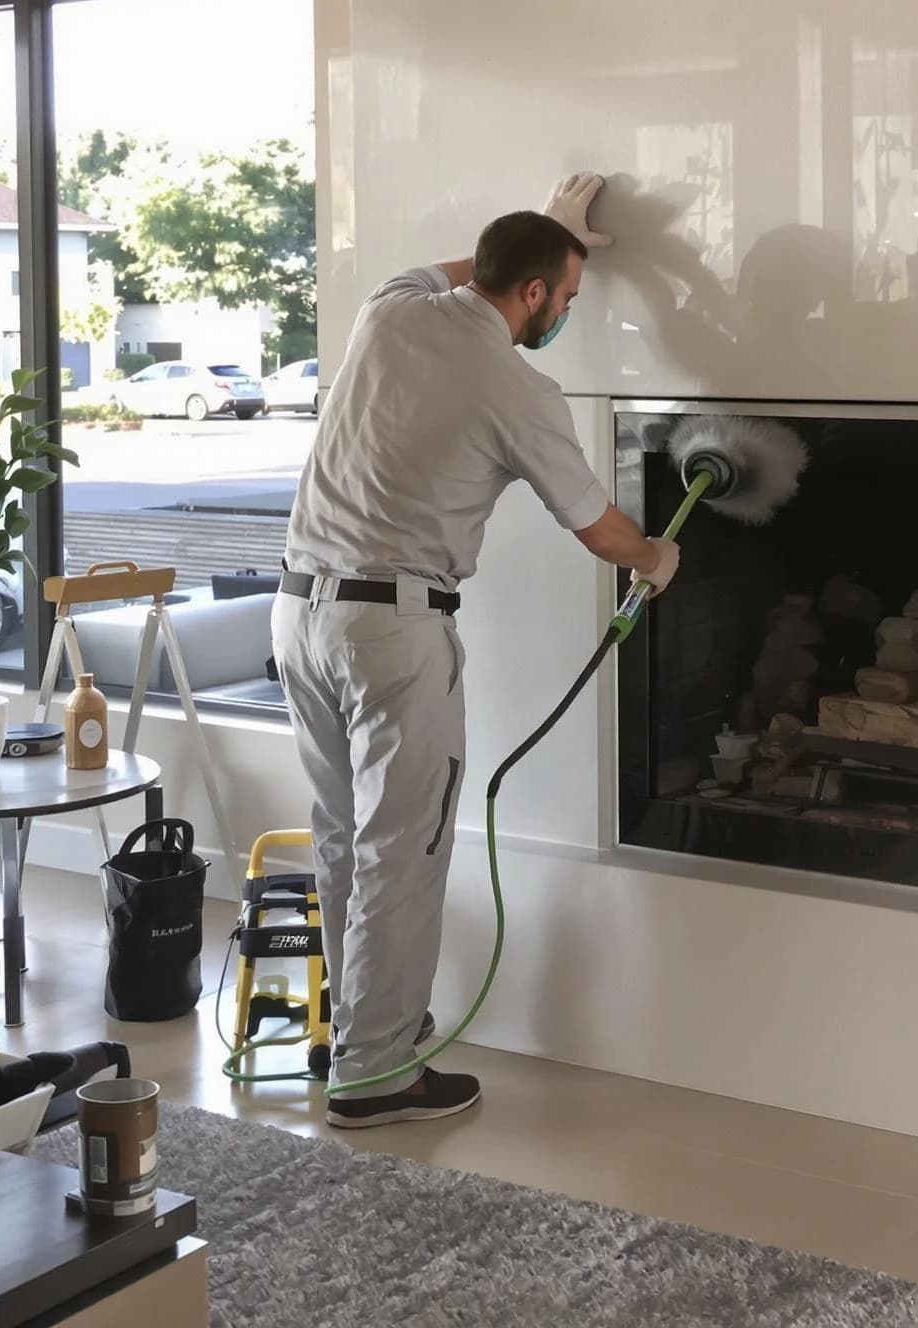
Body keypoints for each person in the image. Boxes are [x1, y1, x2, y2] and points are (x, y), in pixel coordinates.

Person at [273, 173, 680, 1127]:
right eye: (567, 298)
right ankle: (376, 1076)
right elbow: (599, 528)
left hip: (297, 614)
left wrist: (547, 230)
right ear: (533, 293)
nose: (566, 316)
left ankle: (359, 1035)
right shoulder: (521, 388)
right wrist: (659, 558)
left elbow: (468, 268)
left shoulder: (388, 310)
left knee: (347, 843)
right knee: (403, 851)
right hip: (392, 633)